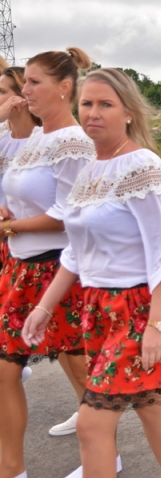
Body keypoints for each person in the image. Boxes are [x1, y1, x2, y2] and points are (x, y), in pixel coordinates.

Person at [24, 68, 161, 478]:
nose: (93, 112)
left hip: (138, 307)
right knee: (151, 405)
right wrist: (44, 306)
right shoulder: (89, 171)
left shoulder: (142, 165)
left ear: (128, 112)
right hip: (99, 309)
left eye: (105, 104)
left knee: (91, 424)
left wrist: (157, 323)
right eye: (87, 103)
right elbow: (76, 252)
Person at [0, 48, 95, 478]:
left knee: (79, 369)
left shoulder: (73, 141)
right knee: (5, 370)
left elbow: (67, 216)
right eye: (24, 82)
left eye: (34, 82)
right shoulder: (35, 138)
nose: (25, 90)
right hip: (22, 268)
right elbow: (19, 194)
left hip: (58, 268)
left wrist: (13, 228)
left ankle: (102, 457)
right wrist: (9, 216)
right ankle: (12, 469)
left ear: (65, 88)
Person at [0, 66, 41, 390]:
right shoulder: (2, 138)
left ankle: (89, 404)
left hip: (36, 246)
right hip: (8, 241)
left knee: (67, 344)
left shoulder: (43, 141)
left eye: (2, 92)